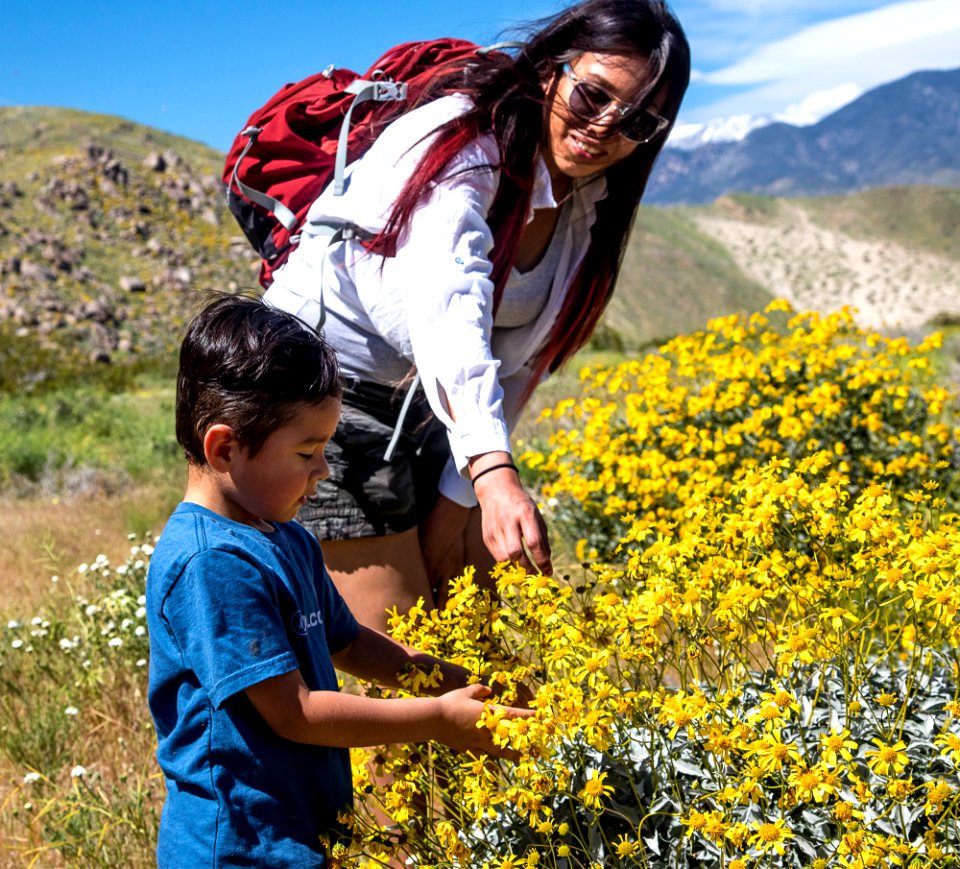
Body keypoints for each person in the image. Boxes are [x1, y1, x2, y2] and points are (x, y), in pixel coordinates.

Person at [263, 0, 691, 631]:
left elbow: (520, 364)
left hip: (428, 402)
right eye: (593, 95)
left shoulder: (587, 203)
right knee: (411, 652)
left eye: (637, 124)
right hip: (317, 385)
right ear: (551, 70)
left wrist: (457, 505)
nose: (605, 128)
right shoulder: (462, 139)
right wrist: (492, 475)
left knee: (475, 623)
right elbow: (450, 304)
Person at [146, 294, 533, 868]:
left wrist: (462, 682)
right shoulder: (211, 563)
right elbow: (295, 712)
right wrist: (440, 719)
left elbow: (349, 642)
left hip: (299, 835)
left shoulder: (288, 538)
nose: (324, 470)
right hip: (237, 847)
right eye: (307, 452)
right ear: (225, 447)